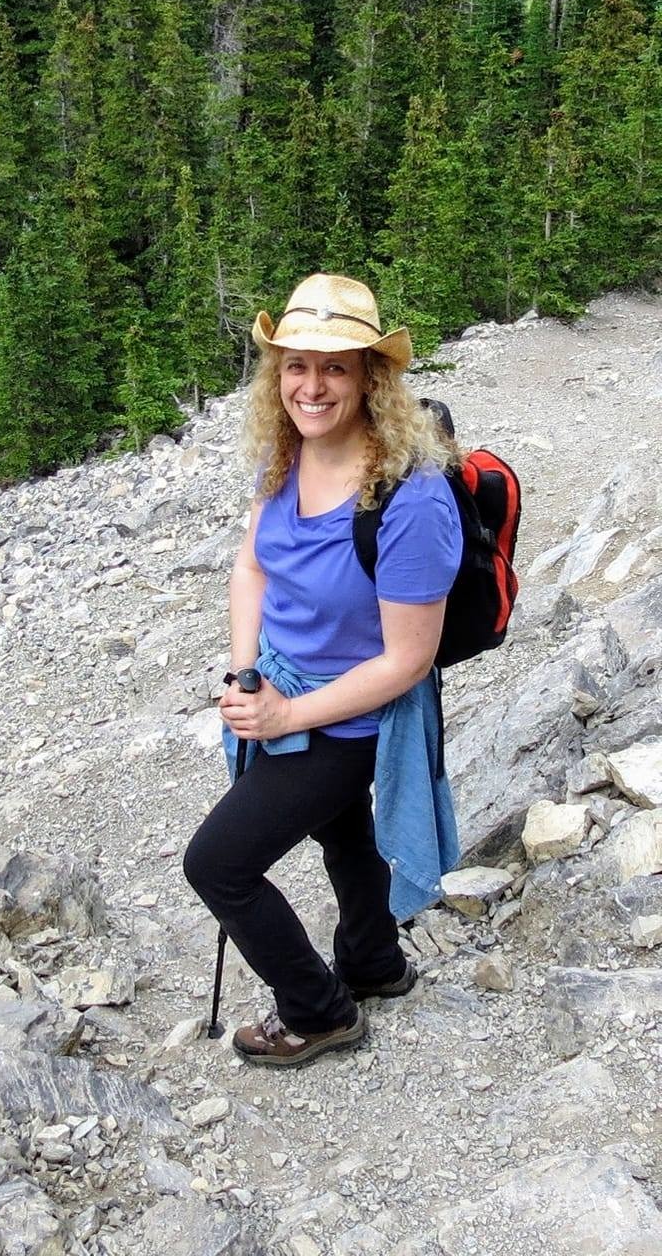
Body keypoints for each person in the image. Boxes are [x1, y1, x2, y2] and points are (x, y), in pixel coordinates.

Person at [182, 272, 463, 1067]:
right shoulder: (284, 459)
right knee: (344, 839)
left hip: (357, 713)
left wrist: (281, 718)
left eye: (335, 366)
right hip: (283, 686)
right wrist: (246, 679)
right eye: (297, 365)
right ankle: (374, 965)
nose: (312, 385)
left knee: (218, 865)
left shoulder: (409, 497)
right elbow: (252, 571)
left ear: (373, 377)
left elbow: (408, 660)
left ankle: (318, 1010)